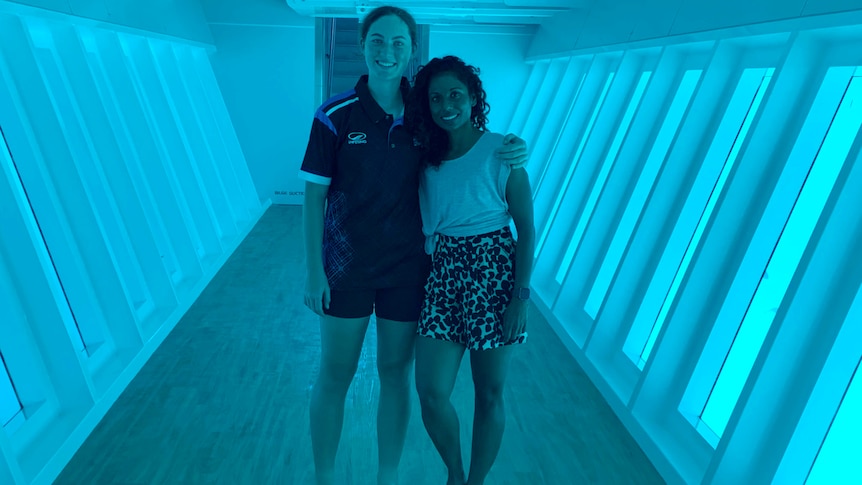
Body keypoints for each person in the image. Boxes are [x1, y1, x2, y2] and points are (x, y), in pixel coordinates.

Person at [298, 7, 529, 485]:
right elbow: (313, 198)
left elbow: (473, 144)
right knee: (334, 377)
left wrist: (517, 149)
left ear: (410, 50)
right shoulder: (333, 116)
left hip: (409, 273)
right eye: (378, 41)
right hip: (347, 271)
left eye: (398, 43)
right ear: (363, 45)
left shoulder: (424, 123)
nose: (387, 52)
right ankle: (324, 477)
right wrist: (314, 270)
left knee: (396, 378)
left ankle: (388, 476)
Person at [404, 56, 535, 485]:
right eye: (436, 97)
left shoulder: (502, 152)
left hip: (494, 271)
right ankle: (456, 474)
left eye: (455, 95)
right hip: (444, 273)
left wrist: (520, 297)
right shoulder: (426, 157)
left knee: (490, 393)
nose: (446, 105)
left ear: (473, 97)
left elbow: (527, 231)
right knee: (431, 392)